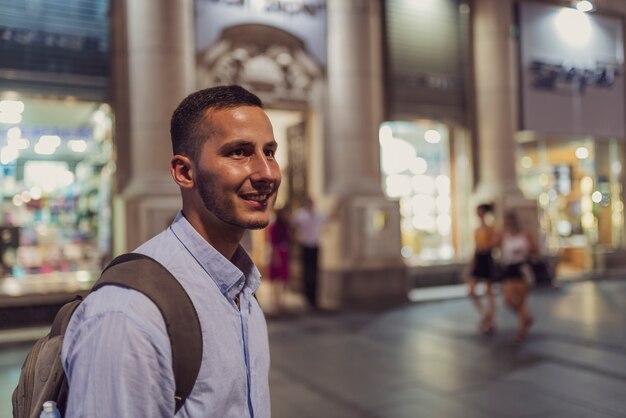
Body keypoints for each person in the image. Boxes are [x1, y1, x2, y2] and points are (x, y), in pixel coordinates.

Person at [61, 85, 280, 417]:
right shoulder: (128, 314)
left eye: (270, 152)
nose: (266, 173)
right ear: (185, 172)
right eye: (239, 152)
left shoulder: (241, 288)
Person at [495, 211, 536, 343]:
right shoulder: (504, 236)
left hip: (521, 268)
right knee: (508, 301)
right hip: (508, 269)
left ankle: (522, 330)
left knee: (522, 301)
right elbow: (493, 245)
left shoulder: (524, 236)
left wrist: (523, 251)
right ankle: (526, 318)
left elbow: (536, 250)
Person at [292, 196, 327, 309]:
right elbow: (292, 226)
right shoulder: (300, 215)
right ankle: (307, 299)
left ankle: (314, 300)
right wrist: (296, 237)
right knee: (307, 273)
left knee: (315, 273)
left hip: (314, 245)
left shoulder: (318, 215)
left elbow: (330, 217)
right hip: (305, 246)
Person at [467, 203, 497, 334]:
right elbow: (476, 247)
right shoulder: (477, 229)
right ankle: (485, 314)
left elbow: (493, 244)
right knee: (471, 291)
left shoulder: (491, 228)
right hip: (479, 258)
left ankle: (491, 320)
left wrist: (486, 247)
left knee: (489, 291)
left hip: (487, 258)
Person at [267, 207, 291, 313]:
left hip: (285, 252)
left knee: (283, 278)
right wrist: (276, 256)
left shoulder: (286, 226)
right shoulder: (274, 226)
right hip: (277, 253)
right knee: (276, 278)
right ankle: (274, 300)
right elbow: (274, 242)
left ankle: (281, 300)